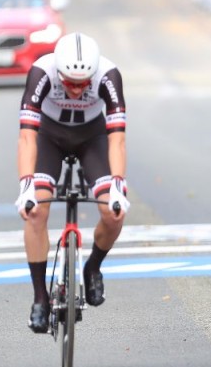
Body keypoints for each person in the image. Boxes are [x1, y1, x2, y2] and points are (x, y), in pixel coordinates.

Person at [15, 33, 130, 333]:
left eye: (83, 83)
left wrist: (118, 183)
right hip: (49, 136)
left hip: (92, 137)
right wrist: (26, 183)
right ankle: (40, 298)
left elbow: (117, 139)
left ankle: (93, 266)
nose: (78, 89)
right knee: (37, 210)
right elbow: (27, 134)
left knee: (113, 212)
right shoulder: (42, 72)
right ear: (58, 71)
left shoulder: (109, 75)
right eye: (70, 83)